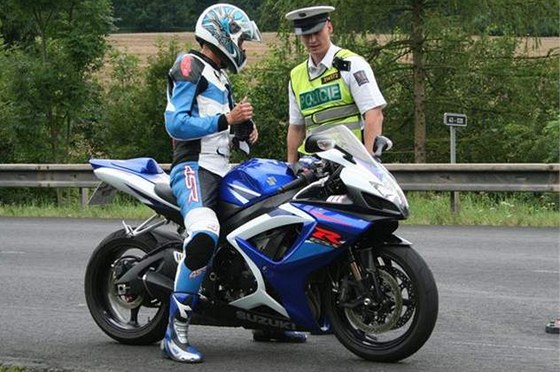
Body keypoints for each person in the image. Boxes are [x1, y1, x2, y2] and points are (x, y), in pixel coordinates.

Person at [161, 3, 304, 363]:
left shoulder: (220, 76)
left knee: (271, 219)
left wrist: (244, 130)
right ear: (222, 36)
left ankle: (270, 320)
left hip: (221, 170)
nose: (244, 49)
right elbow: (176, 124)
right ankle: (174, 335)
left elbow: (222, 130)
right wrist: (227, 119)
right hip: (193, 169)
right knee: (206, 232)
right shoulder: (189, 65)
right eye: (242, 42)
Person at [285, 5, 387, 165]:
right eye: (306, 35)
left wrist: (369, 162)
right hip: (313, 164)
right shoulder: (296, 75)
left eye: (317, 32)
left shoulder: (351, 64)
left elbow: (374, 114)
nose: (312, 40)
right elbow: (296, 127)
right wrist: (290, 166)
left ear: (329, 27)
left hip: (349, 160)